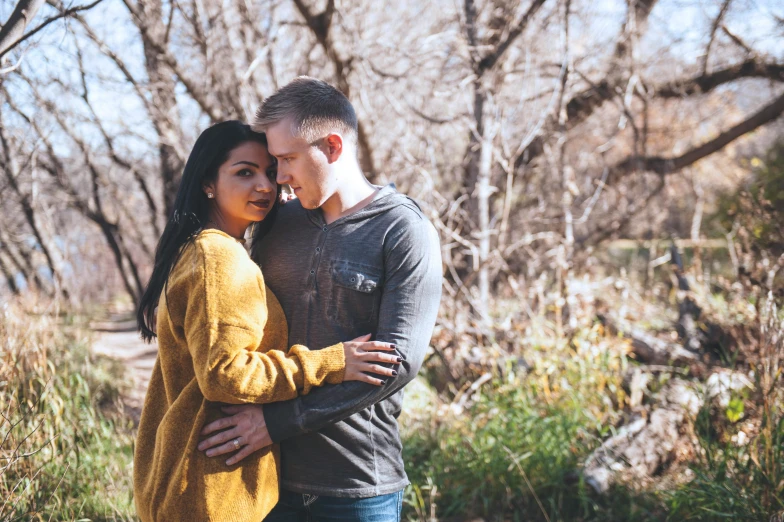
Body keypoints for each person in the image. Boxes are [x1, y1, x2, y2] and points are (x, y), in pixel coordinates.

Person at [198, 78, 442, 521]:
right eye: (275, 162)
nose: (279, 177)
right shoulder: (277, 223)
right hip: (263, 480)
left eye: (287, 159)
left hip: (356, 489)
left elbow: (398, 363)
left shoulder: (403, 231)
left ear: (331, 146)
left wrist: (274, 424)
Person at [133, 121, 400, 522]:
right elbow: (225, 373)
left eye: (270, 172)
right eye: (244, 172)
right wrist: (332, 362)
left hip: (200, 479)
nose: (265, 186)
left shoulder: (205, 249)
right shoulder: (218, 258)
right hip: (211, 488)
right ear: (208, 183)